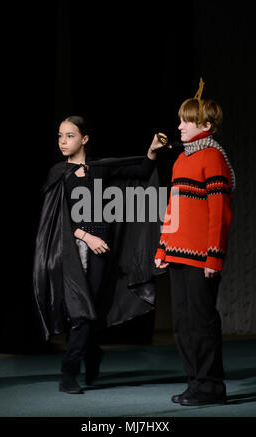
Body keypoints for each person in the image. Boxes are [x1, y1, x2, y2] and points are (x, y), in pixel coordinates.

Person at [33, 115, 165, 394]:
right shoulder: (59, 174)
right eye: (59, 136)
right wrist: (85, 236)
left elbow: (140, 173)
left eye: (69, 135)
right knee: (79, 311)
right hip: (69, 251)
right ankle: (70, 371)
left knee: (87, 310)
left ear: (85, 139)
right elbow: (56, 222)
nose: (62, 141)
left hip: (100, 252)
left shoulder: (100, 170)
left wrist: (151, 151)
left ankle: (91, 353)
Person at [155, 79, 235, 406]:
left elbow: (220, 212)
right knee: (182, 324)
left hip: (201, 257)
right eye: (181, 119)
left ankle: (211, 386)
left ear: (206, 125)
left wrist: (214, 257)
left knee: (202, 322)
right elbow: (173, 207)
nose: (180, 126)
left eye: (186, 121)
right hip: (176, 254)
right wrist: (162, 247)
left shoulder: (213, 157)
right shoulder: (181, 159)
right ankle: (195, 382)